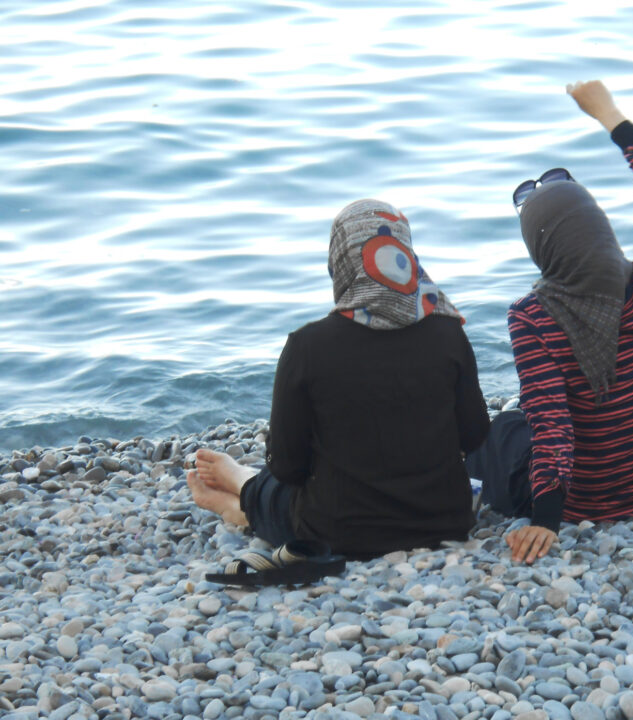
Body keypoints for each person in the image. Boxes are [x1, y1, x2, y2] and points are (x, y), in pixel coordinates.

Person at [468, 80, 633, 563]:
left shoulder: (533, 318)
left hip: (585, 504)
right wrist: (607, 113)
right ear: (599, 227)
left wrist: (546, 520)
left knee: (504, 431)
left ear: (542, 250)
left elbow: (552, 424)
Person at [187, 199, 490, 559]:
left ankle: (240, 494)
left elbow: (287, 467)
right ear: (405, 255)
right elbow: (475, 435)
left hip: (339, 533)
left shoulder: (307, 347)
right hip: (444, 523)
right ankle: (241, 486)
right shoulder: (448, 333)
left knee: (278, 491)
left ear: (339, 262)